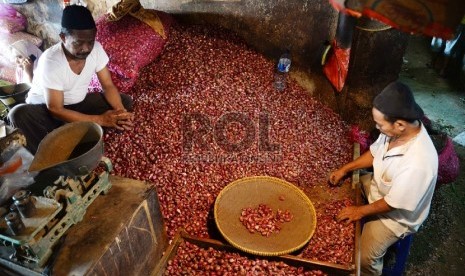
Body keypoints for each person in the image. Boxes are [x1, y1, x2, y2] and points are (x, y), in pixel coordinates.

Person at [329, 81, 438, 275]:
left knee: (363, 257)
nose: (377, 128)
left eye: (380, 124)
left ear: (400, 125)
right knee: (347, 186)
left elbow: (393, 203)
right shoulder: (394, 132)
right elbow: (374, 153)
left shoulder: (419, 163)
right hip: (379, 186)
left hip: (395, 216)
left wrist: (359, 211)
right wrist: (346, 169)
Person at [8, 5, 133, 154]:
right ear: (63, 37)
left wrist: (119, 112)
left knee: (124, 101)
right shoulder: (51, 61)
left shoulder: (96, 50)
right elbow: (55, 109)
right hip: (46, 113)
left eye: (90, 42)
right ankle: (51, 153)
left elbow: (107, 85)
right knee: (18, 114)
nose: (86, 49)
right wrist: (101, 119)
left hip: (75, 106)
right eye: (78, 43)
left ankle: (74, 135)